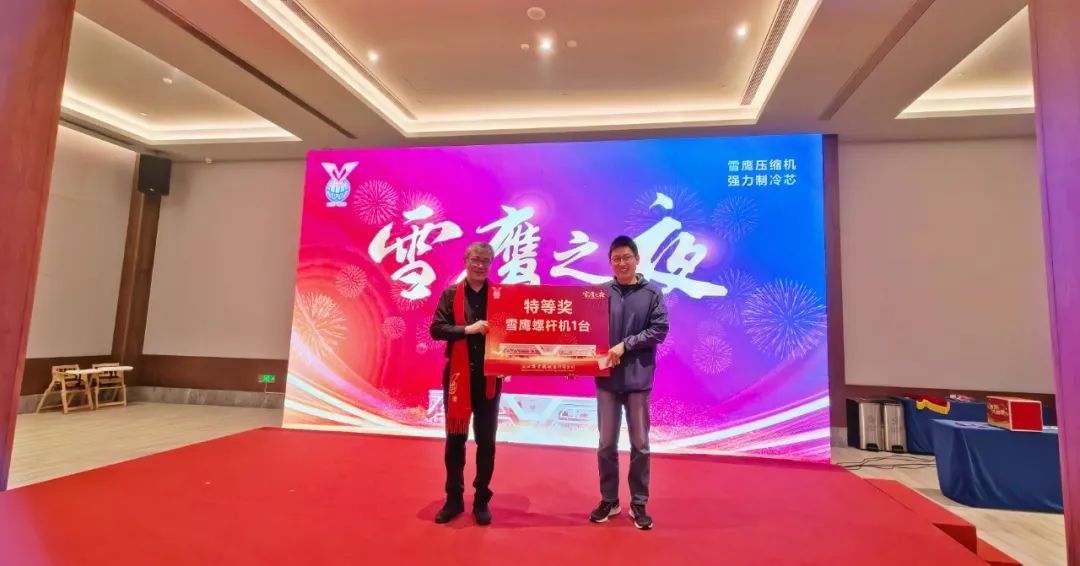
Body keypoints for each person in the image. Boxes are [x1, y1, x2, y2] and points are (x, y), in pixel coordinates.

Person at [588, 235, 669, 530]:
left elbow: (660, 329)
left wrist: (626, 345)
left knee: (640, 445)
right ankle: (609, 499)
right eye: (616, 259)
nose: (621, 263)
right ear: (610, 262)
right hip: (606, 381)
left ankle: (638, 503)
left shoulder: (652, 293)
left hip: (638, 380)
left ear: (637, 259)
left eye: (626, 257)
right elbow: (585, 330)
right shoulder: (599, 294)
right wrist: (572, 360)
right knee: (606, 445)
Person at [429, 242, 502, 526]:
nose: (480, 265)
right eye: (476, 259)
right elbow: (436, 329)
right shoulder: (451, 294)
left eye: (486, 261)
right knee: (455, 441)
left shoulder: (500, 296)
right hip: (458, 378)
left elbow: (510, 333)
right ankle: (454, 498)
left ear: (491, 264)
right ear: (466, 260)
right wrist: (468, 330)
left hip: (488, 379)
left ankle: (481, 499)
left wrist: (508, 362)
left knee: (487, 442)